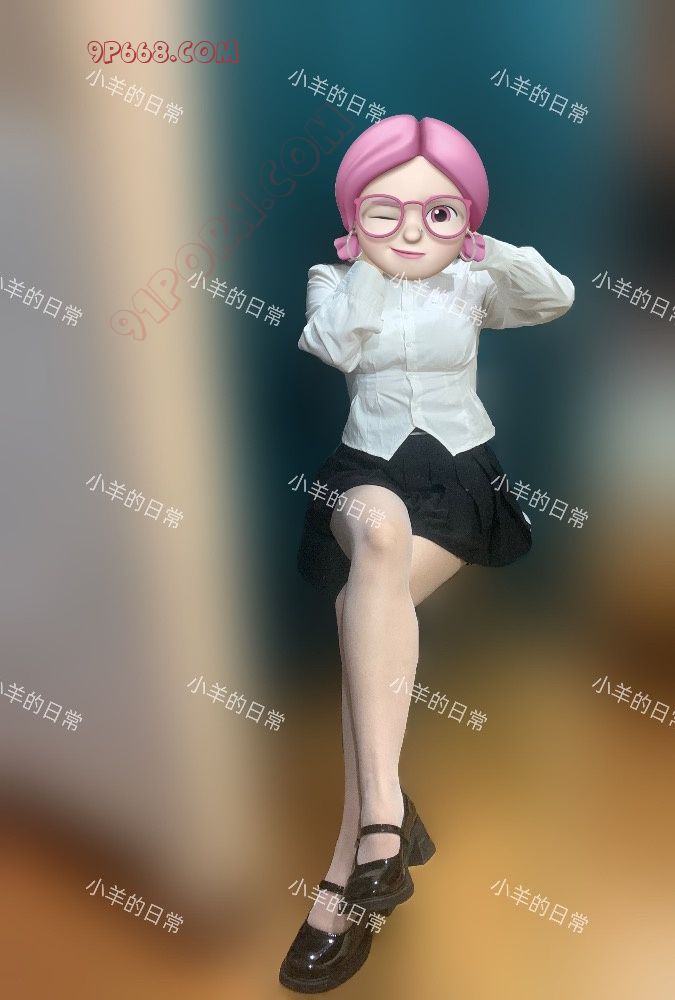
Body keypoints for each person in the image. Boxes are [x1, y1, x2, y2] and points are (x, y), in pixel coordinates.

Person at [280, 114, 575, 993]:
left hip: (456, 477)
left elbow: (554, 296)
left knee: (358, 616)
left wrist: (478, 245)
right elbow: (332, 343)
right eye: (386, 210)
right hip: (365, 470)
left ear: (463, 217)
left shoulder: (472, 283)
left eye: (437, 212)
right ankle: (382, 818)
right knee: (374, 534)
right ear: (353, 214)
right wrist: (374, 262)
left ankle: (358, 854)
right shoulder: (332, 280)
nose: (411, 230)